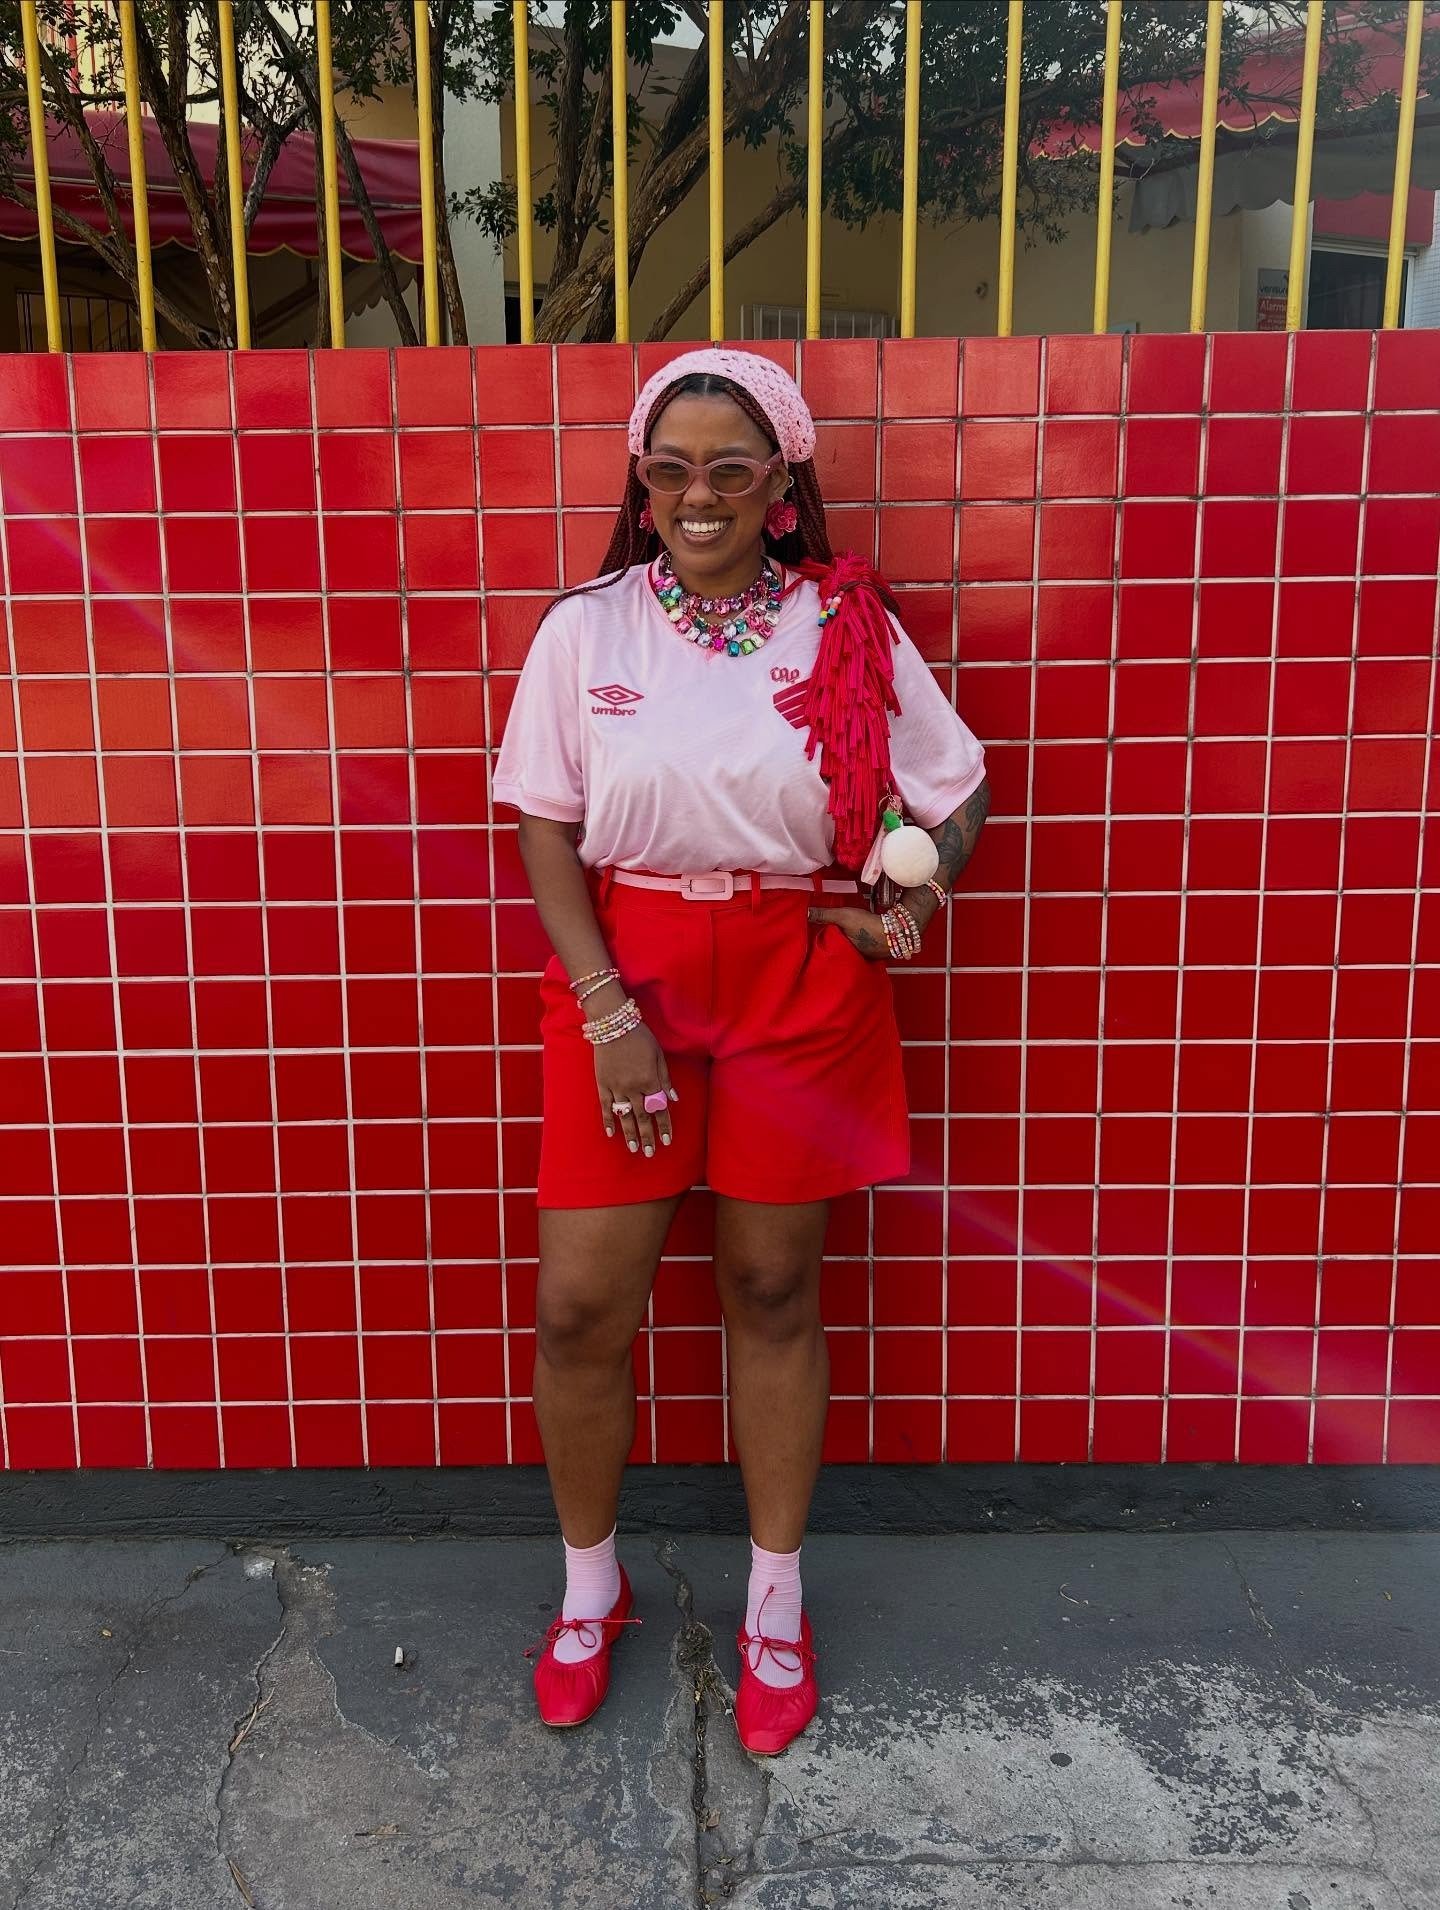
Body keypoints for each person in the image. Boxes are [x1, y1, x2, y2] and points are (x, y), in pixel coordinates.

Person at [491, 346, 991, 1755]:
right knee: (582, 1308)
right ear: (640, 485)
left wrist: (921, 888)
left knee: (773, 1287)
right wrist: (604, 1013)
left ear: (782, 486)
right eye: (668, 468)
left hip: (795, 984)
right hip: (625, 981)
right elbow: (543, 822)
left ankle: (777, 1598)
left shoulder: (846, 628)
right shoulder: (586, 633)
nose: (694, 493)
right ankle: (592, 1586)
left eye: (729, 468)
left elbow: (956, 789)